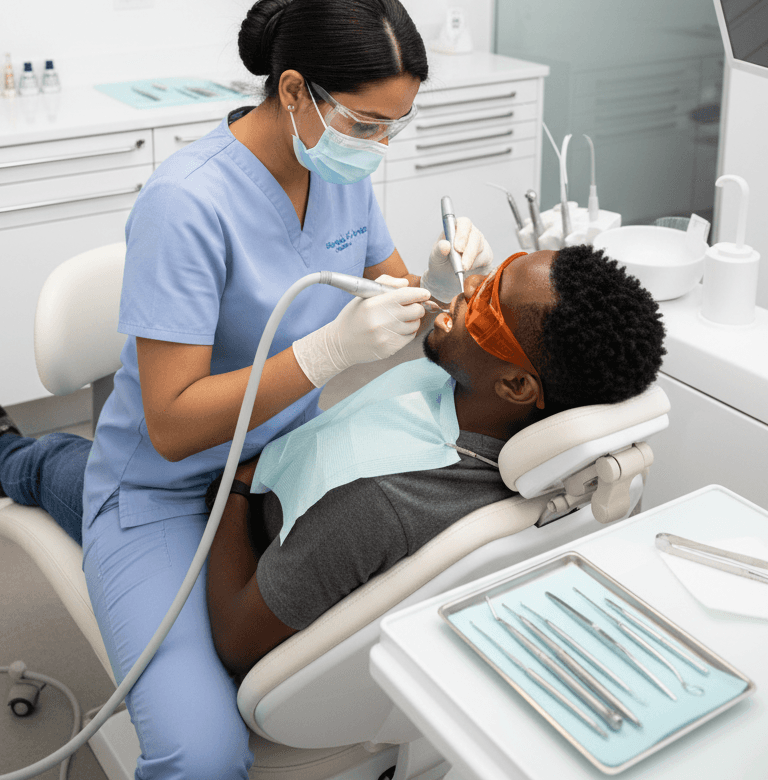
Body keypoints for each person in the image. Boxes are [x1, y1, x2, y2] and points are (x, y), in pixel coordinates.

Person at [0, 0, 493, 780]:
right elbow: (170, 423)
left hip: (275, 470)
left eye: (396, 127)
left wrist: (445, 283)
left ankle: (49, 461)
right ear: (294, 90)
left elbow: (402, 301)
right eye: (367, 124)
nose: (379, 147)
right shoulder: (185, 204)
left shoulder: (344, 171)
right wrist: (327, 354)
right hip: (162, 486)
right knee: (202, 754)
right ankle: (36, 462)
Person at [1, 244, 665, 687]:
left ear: (519, 386)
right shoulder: (509, 432)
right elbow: (451, 330)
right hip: (280, 501)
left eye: (485, 305)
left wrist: (237, 482)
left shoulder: (380, 502)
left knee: (62, 467)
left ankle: (10, 453)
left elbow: (235, 636)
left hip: (225, 548)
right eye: (489, 274)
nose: (464, 294)